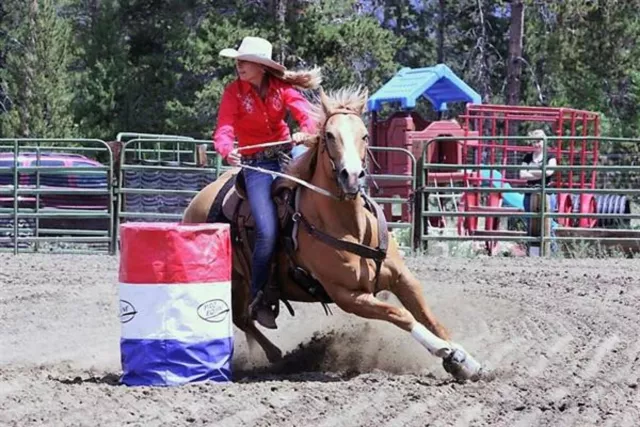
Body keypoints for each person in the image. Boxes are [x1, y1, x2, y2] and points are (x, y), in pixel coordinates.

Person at [213, 36, 321, 329]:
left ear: (260, 67)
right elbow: (224, 127)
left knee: (327, 177)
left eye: (244, 61)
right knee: (267, 230)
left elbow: (305, 116)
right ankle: (259, 294)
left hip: (288, 151)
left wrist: (305, 132)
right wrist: (227, 148)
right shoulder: (233, 92)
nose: (239, 65)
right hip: (257, 164)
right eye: (238, 61)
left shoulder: (281, 89)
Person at [519, 129, 558, 254]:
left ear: (545, 142)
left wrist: (531, 172)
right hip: (530, 193)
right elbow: (522, 174)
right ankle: (533, 254)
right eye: (535, 141)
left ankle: (552, 253)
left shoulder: (550, 156)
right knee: (531, 223)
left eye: (540, 141)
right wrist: (540, 173)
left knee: (548, 223)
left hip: (546, 192)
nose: (537, 144)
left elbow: (549, 172)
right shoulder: (528, 157)